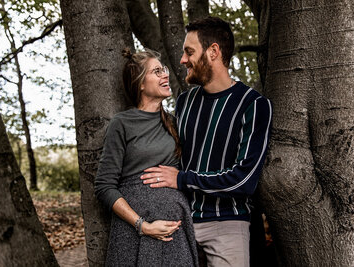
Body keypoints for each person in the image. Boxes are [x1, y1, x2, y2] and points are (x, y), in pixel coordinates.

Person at [141, 16, 273, 267]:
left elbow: (244, 180)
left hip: (228, 224)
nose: (182, 60)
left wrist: (182, 179)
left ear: (213, 51)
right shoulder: (185, 102)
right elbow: (173, 157)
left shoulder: (253, 105)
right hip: (178, 220)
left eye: (189, 52)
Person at [94, 48, 199, 266]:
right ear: (140, 83)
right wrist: (142, 225)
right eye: (156, 71)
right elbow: (104, 186)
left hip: (174, 232)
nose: (165, 75)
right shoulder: (121, 124)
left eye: (164, 70)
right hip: (132, 233)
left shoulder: (175, 124)